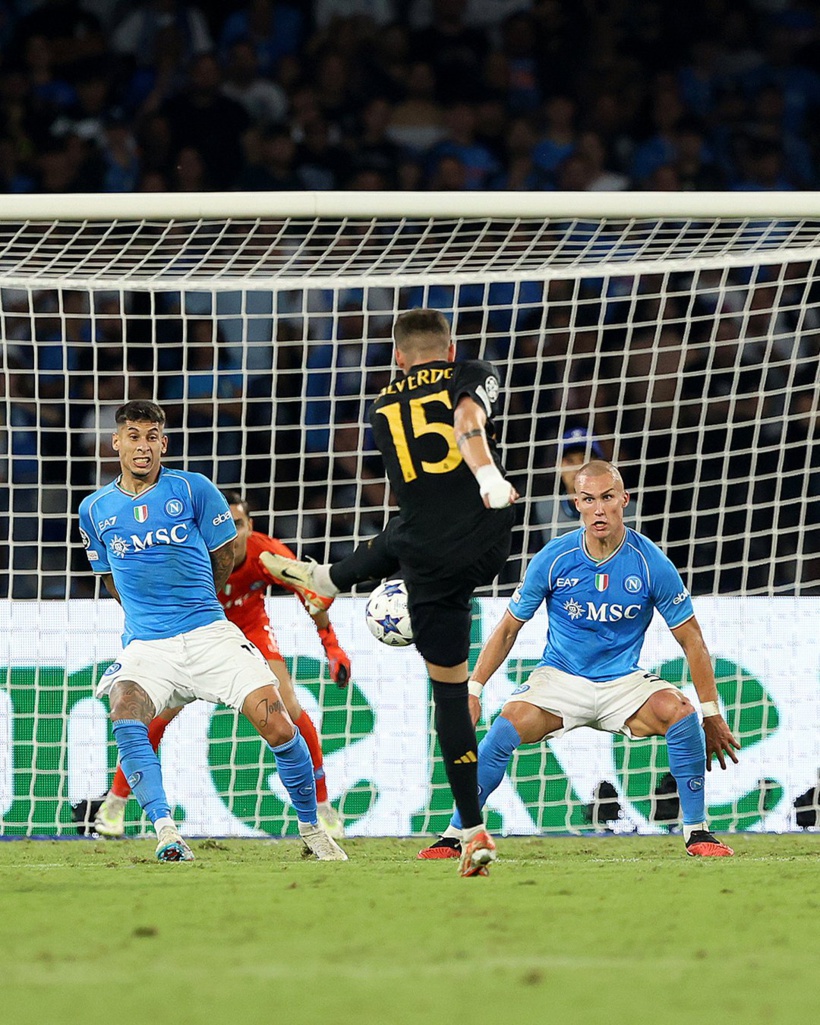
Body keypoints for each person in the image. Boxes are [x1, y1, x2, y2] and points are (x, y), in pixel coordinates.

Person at [260, 307, 517, 877]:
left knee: (449, 698)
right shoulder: (469, 371)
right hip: (485, 537)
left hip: (425, 559)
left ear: (398, 358)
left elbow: (449, 436)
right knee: (405, 533)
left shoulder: (380, 406)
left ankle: (472, 831)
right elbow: (468, 417)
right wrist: (488, 476)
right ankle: (327, 579)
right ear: (450, 350)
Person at [419, 459, 740, 861]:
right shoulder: (554, 558)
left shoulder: (650, 562)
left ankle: (697, 831)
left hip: (623, 682)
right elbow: (506, 629)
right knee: (503, 729)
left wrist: (711, 712)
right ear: (576, 504)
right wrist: (474, 689)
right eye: (589, 499)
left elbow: (692, 640)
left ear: (624, 500)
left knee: (680, 712)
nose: (599, 508)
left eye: (608, 498)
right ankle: (456, 833)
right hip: (560, 679)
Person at [78, 400, 347, 862]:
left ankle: (313, 828)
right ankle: (164, 832)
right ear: (116, 441)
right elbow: (110, 576)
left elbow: (225, 557)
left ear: (164, 443)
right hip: (149, 646)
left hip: (211, 635)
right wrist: (149, 618)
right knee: (127, 713)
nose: (142, 446)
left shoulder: (195, 488)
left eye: (151, 437)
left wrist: (197, 603)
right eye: (133, 436)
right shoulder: (94, 509)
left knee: (280, 724)